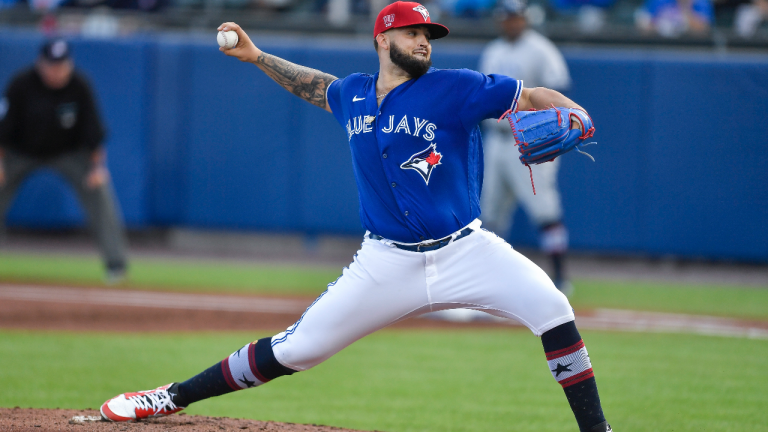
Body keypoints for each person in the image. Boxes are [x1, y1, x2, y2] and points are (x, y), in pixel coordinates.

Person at [99, 3, 611, 431]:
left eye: (428, 35)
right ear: (383, 39)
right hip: (385, 263)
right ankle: (168, 397)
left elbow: (533, 96)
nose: (424, 42)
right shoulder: (355, 94)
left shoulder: (458, 87)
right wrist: (255, 56)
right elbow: (316, 85)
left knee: (553, 307)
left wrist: (580, 115)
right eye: (412, 33)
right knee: (296, 349)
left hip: (466, 250)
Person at [0, 38, 128, 283]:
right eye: (51, 65)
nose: (56, 71)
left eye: (61, 65)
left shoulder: (79, 85)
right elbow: (3, 129)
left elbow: (93, 133)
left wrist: (97, 168)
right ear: (41, 64)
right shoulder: (21, 84)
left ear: (69, 64)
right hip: (20, 152)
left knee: (99, 190)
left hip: (68, 153)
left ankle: (116, 264)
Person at [479, 0, 574, 296]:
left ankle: (560, 278)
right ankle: (487, 282)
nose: (511, 22)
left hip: (532, 141)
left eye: (516, 16)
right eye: (507, 17)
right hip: (496, 139)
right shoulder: (493, 51)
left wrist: (548, 128)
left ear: (525, 18)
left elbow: (559, 91)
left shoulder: (540, 48)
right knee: (489, 215)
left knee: (545, 211)